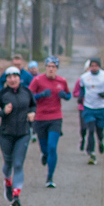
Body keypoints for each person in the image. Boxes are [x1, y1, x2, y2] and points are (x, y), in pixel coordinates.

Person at [0, 65, 35, 206]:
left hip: (23, 134)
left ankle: (16, 196)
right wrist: (3, 112)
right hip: (6, 135)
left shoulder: (27, 92)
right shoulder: (2, 95)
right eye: (9, 77)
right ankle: (7, 182)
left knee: (18, 164)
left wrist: (32, 113)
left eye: (15, 77)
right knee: (8, 163)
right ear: (6, 80)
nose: (12, 79)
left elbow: (33, 105)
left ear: (19, 79)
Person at [29, 56, 71, 188]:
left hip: (55, 117)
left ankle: (50, 177)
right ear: (45, 67)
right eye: (49, 66)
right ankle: (44, 154)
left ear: (57, 68)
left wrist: (65, 96)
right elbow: (29, 96)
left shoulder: (62, 81)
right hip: (40, 118)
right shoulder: (38, 80)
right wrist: (40, 95)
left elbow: (69, 95)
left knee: (52, 147)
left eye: (53, 67)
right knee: (45, 148)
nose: (51, 69)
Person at [76, 57, 104, 165]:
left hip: (102, 107)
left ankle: (100, 140)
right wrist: (80, 97)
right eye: (92, 66)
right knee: (90, 130)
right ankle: (91, 153)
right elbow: (82, 89)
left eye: (96, 65)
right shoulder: (84, 77)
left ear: (99, 66)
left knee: (99, 129)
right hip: (89, 107)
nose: (94, 68)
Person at [73, 73, 87, 152]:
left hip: (95, 108)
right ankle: (82, 138)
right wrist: (83, 94)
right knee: (83, 127)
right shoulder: (81, 80)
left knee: (92, 129)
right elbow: (74, 93)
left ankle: (91, 149)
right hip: (83, 107)